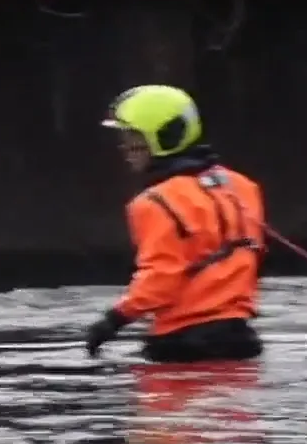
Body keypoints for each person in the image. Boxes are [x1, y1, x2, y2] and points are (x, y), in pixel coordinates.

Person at [86, 84, 266, 363]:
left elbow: (160, 277)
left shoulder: (153, 202)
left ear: (163, 137)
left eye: (133, 137)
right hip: (240, 340)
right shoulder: (243, 187)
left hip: (180, 345)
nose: (125, 148)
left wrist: (113, 321)